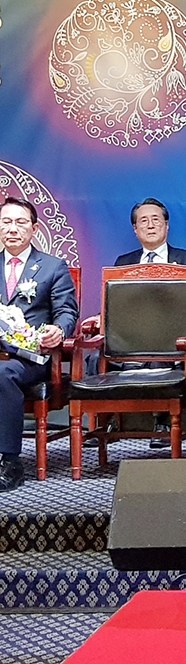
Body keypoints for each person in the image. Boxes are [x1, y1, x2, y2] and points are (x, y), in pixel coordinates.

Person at [83, 198, 186, 449]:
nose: (150, 225)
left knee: (161, 352)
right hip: (131, 339)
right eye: (143, 221)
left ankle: (162, 423)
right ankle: (104, 421)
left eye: (156, 220)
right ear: (135, 229)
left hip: (174, 338)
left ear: (166, 226)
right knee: (96, 356)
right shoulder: (124, 262)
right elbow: (116, 303)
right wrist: (102, 317)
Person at [0, 197, 78, 492]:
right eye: (6, 222)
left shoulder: (52, 267)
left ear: (34, 229)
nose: (12, 228)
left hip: (29, 359)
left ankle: (9, 461)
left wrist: (58, 331)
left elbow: (67, 311)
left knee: (3, 374)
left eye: (20, 222)